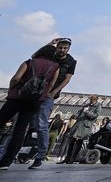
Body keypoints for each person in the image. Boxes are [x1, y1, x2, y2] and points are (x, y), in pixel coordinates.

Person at [0, 53, 60, 171]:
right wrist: (42, 96)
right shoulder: (55, 67)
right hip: (34, 100)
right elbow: (51, 85)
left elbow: (16, 78)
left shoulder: (30, 62)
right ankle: (6, 161)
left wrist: (11, 90)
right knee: (20, 130)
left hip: (17, 97)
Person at [30, 38, 76, 167]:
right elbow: (34, 56)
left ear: (68, 49)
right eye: (60, 47)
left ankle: (40, 155)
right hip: (34, 90)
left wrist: (53, 92)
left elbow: (67, 79)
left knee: (41, 123)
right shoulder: (49, 54)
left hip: (49, 94)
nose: (62, 50)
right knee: (25, 122)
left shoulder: (71, 61)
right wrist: (50, 44)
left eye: (65, 48)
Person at [60, 94, 101, 164]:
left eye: (92, 99)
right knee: (71, 141)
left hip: (85, 126)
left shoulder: (98, 106)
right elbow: (79, 112)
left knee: (79, 142)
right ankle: (67, 158)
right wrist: (75, 115)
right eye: (90, 99)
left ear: (95, 100)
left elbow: (95, 116)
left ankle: (72, 159)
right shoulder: (87, 105)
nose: (90, 100)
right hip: (78, 124)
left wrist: (87, 112)